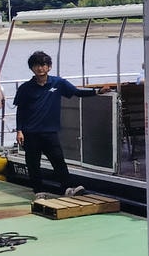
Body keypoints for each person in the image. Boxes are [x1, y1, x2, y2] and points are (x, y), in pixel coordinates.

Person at [13, 50, 97, 196]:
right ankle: (38, 191)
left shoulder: (58, 83)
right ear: (32, 68)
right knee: (33, 164)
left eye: (43, 65)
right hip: (30, 132)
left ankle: (68, 188)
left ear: (49, 67)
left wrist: (97, 92)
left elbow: (77, 92)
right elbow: (21, 110)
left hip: (49, 131)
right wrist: (19, 130)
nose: (40, 68)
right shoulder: (25, 88)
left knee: (58, 160)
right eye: (36, 65)